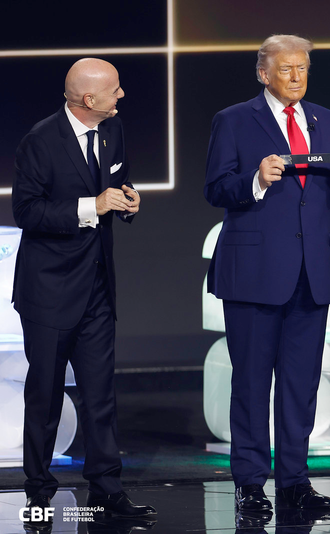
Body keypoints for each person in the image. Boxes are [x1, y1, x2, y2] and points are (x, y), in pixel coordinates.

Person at [204, 35, 330, 514]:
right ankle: (250, 484)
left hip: (311, 274)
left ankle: (295, 482)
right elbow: (215, 188)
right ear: (263, 73)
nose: (296, 77)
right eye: (287, 68)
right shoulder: (234, 120)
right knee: (251, 385)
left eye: (303, 68)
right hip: (254, 274)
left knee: (300, 385)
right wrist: (255, 179)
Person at [12, 58, 156, 521]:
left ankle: (107, 490)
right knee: (46, 396)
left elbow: (117, 182)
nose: (122, 95)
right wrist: (91, 205)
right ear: (88, 99)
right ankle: (39, 493)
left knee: (100, 396)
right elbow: (27, 212)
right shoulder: (40, 141)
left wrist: (127, 200)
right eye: (115, 89)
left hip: (96, 287)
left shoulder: (112, 129)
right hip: (49, 291)